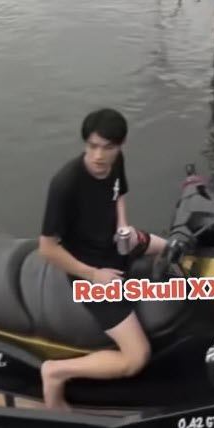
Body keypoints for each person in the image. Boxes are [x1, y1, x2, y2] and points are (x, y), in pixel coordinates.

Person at [38, 107, 167, 409]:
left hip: (116, 244)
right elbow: (47, 247)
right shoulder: (65, 184)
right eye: (93, 146)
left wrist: (123, 225)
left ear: (121, 146)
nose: (99, 156)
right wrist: (93, 275)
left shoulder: (115, 161)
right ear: (85, 144)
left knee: (174, 247)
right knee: (136, 357)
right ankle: (56, 373)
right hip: (90, 270)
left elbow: (118, 192)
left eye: (107, 147)